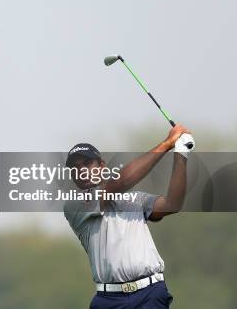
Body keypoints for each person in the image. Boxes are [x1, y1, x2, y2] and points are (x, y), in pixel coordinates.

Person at [63, 125, 195, 309]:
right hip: (108, 300)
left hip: (150, 294)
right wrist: (166, 144)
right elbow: (121, 182)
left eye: (87, 164)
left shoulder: (136, 200)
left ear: (101, 165)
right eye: (75, 168)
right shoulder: (74, 205)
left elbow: (172, 205)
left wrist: (181, 153)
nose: (81, 171)